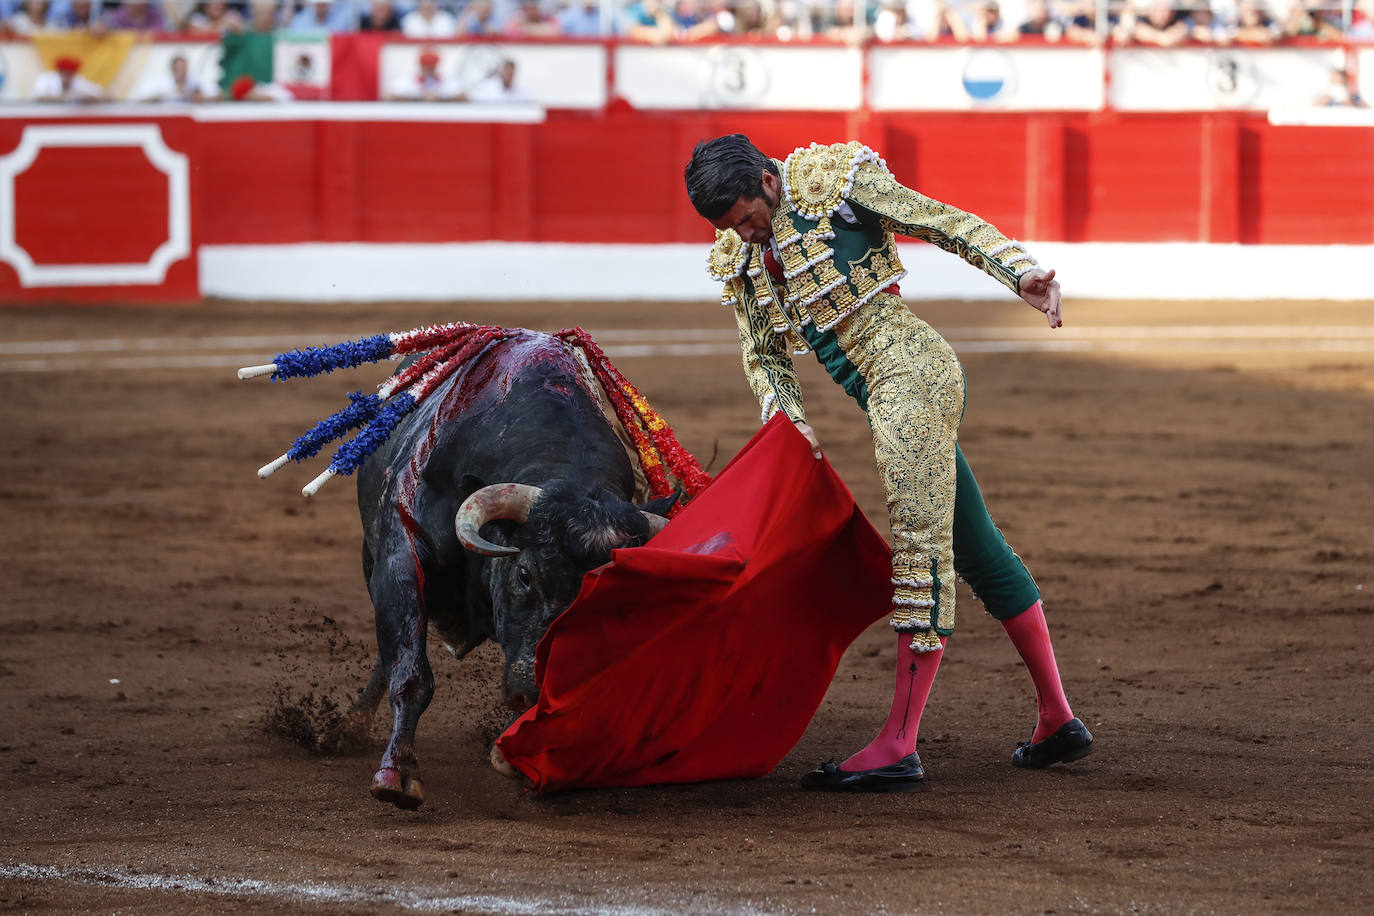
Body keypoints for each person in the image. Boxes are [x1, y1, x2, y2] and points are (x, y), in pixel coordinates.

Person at [684, 135, 1093, 792]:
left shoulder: (832, 184)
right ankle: (1057, 719)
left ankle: (899, 743)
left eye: (749, 218)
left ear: (766, 180)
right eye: (732, 228)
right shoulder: (740, 252)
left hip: (912, 374)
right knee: (977, 548)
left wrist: (1018, 272)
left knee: (919, 545)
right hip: (881, 395)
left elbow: (938, 219)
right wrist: (784, 417)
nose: (749, 235)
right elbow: (764, 355)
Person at [386, 47, 462, 100]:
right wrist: (418, 97)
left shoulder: (447, 82)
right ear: (421, 66)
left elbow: (463, 96)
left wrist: (439, 98)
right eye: (425, 66)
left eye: (431, 67)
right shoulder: (407, 82)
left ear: (436, 66)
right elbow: (390, 96)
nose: (428, 70)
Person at [31, 54, 106, 102]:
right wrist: (67, 97)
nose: (68, 76)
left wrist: (88, 98)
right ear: (59, 72)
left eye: (71, 74)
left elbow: (100, 94)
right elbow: (39, 97)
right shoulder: (46, 78)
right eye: (66, 73)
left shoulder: (79, 80)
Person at [137, 52, 209, 101]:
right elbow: (139, 99)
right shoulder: (161, 83)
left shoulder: (194, 82)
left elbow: (217, 96)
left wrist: (191, 96)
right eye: (179, 69)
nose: (182, 72)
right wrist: (166, 95)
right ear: (173, 70)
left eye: (184, 68)